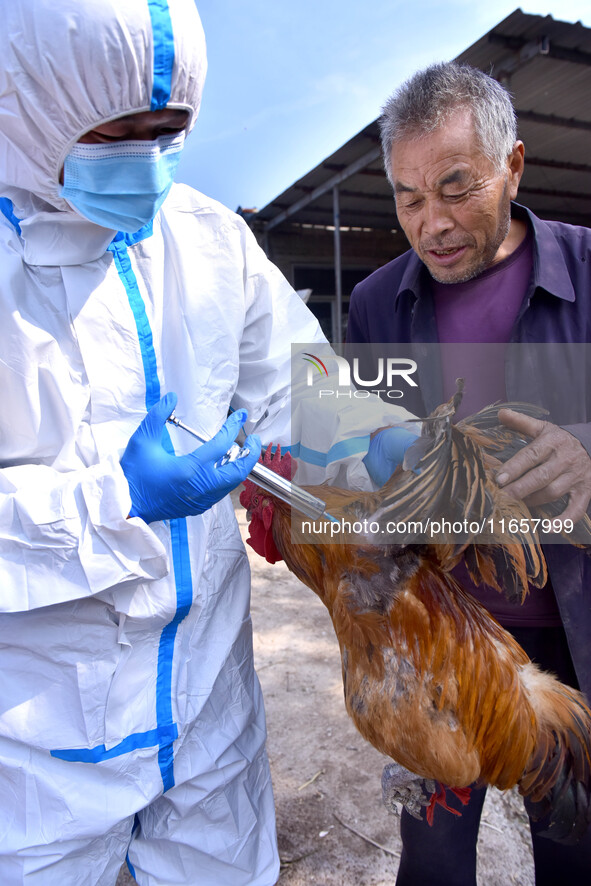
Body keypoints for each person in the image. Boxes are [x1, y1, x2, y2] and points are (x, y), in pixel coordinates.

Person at [0, 2, 415, 884]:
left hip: (209, 718)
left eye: (171, 129)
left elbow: (297, 384)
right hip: (31, 753)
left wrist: (373, 434)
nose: (148, 159)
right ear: (29, 102)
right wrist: (115, 503)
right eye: (117, 130)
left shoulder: (211, 239)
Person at [347, 61, 591, 885]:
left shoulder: (588, 272)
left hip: (569, 633)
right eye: (410, 199)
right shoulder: (376, 303)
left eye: (456, 188)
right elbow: (357, 451)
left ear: (512, 165)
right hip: (439, 637)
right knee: (433, 857)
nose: (433, 223)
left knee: (571, 848)